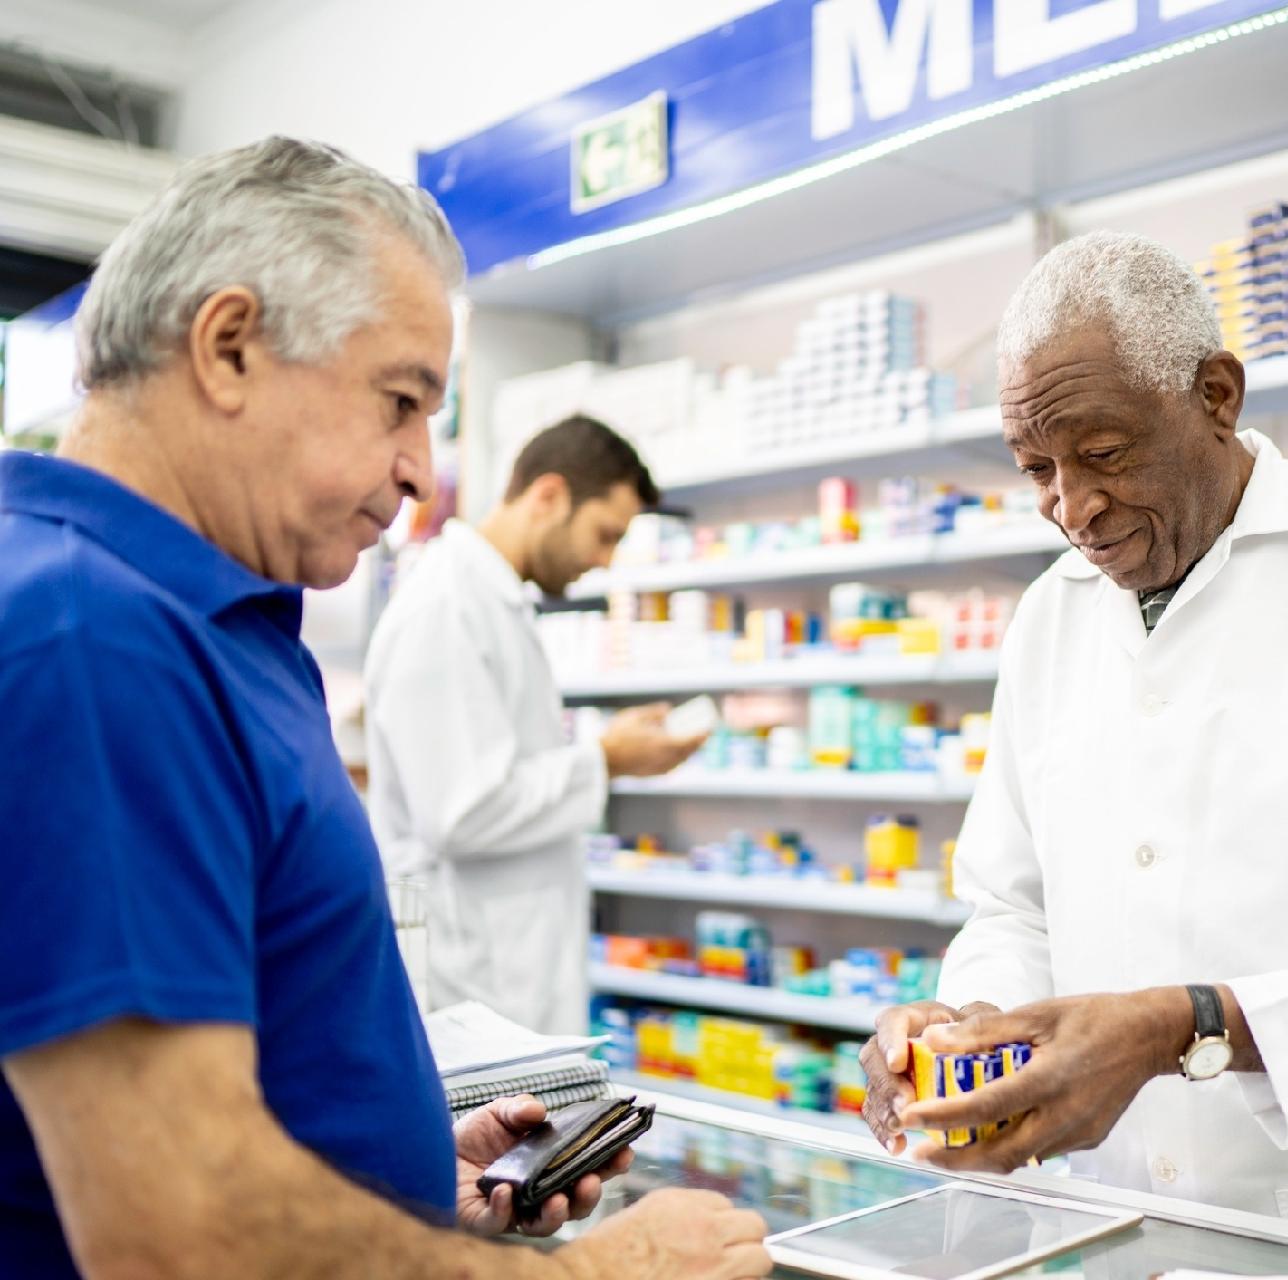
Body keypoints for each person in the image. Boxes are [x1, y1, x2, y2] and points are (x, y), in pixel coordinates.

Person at [0, 136, 769, 1280]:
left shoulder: (211, 618)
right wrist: (600, 1272)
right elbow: (175, 1224)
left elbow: (242, 1075)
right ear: (228, 348)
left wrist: (401, 1176)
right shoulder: (92, 636)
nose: (420, 469)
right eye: (400, 401)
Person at [858, 231, 1288, 1262]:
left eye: (1101, 453)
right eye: (1036, 469)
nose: (1073, 508)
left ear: (1216, 395)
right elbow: (1012, 902)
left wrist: (1184, 1024)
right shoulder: (1049, 619)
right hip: (1121, 1210)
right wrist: (972, 1028)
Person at [366, 417, 707, 1035]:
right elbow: (460, 812)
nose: (603, 560)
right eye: (604, 534)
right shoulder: (447, 605)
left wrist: (606, 756)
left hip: (509, 983)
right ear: (548, 496)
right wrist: (604, 758)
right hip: (469, 990)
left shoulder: (496, 602)